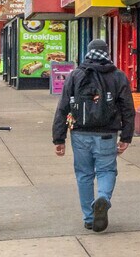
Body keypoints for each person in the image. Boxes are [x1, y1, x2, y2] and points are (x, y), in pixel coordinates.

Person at [52, 40, 134, 233]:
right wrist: (126, 137)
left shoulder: (75, 75)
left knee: (84, 174)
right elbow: (128, 109)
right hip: (107, 134)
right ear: (107, 53)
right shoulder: (118, 76)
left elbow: (63, 107)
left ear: (88, 53)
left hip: (80, 133)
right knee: (107, 171)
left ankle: (89, 218)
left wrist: (59, 138)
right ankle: (103, 198)